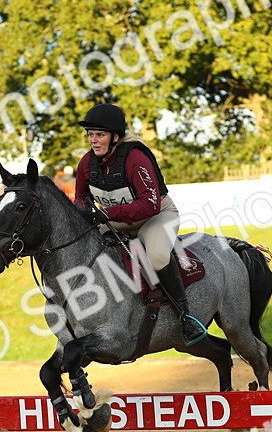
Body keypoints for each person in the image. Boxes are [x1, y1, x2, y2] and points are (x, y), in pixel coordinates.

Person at [73, 102, 207, 345]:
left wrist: (108, 213)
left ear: (115, 137)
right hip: (118, 220)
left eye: (100, 135)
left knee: (157, 257)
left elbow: (150, 205)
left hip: (156, 217)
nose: (93, 140)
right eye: (90, 134)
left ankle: (186, 317)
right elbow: (81, 197)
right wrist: (84, 215)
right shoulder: (86, 163)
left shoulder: (135, 158)